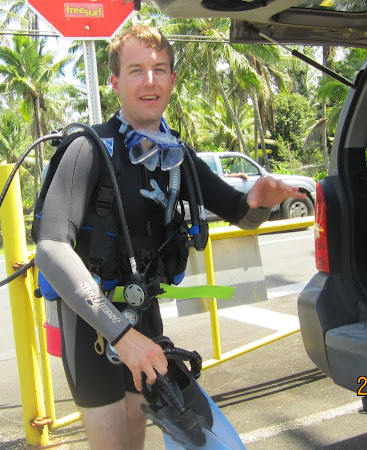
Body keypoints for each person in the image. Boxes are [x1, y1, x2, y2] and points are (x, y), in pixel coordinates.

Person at [34, 24, 305, 449]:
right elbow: (50, 247)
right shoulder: (87, 149)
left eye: (160, 69)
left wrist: (262, 200)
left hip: (145, 315)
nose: (149, 81)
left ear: (173, 80)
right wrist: (122, 337)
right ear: (115, 81)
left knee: (138, 441)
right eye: (136, 69)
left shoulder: (176, 154)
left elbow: (242, 215)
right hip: (93, 326)